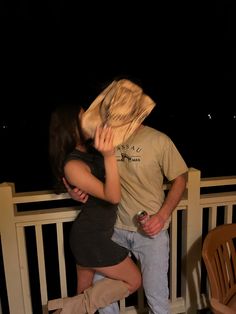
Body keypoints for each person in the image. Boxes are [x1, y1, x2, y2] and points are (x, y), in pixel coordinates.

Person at [65, 77, 189, 314]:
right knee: (103, 297)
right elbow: (83, 171)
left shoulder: (159, 140)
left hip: (151, 232)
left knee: (157, 298)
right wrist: (74, 190)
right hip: (112, 230)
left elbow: (180, 180)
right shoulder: (102, 142)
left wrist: (162, 216)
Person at [47, 103, 142, 314]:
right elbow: (113, 196)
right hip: (92, 238)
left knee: (84, 294)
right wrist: (108, 155)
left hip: (93, 235)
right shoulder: (72, 164)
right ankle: (65, 310)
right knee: (134, 280)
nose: (90, 118)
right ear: (70, 127)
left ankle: (67, 308)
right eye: (83, 117)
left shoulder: (89, 151)